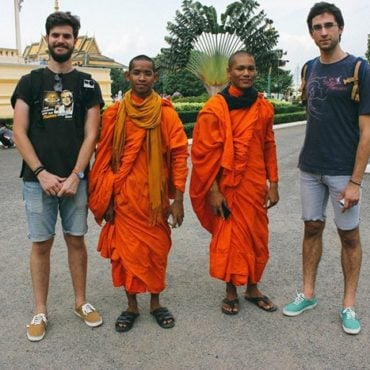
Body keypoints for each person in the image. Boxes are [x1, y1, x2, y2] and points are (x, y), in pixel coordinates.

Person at [11, 11, 104, 342]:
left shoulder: (88, 84)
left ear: (74, 41)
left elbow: (91, 134)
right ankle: (40, 310)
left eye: (67, 36)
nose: (61, 40)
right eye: (56, 35)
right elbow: (18, 132)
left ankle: (81, 302)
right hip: (38, 181)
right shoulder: (30, 82)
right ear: (47, 38)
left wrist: (77, 174)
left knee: (76, 240)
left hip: (75, 180)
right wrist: (41, 172)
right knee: (41, 244)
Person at [283, 2, 370, 335]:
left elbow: (367, 131)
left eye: (328, 26)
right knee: (312, 229)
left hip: (342, 172)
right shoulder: (308, 69)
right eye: (317, 27)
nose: (323, 32)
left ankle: (348, 305)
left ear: (340, 28)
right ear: (311, 32)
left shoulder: (360, 69)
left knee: (348, 236)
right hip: (310, 169)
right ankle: (307, 294)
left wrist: (355, 182)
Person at [88, 55, 188, 332]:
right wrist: (106, 196)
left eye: (147, 73)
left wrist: (178, 200)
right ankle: (131, 305)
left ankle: (156, 302)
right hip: (123, 199)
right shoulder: (114, 114)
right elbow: (103, 159)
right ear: (127, 77)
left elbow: (180, 155)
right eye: (136, 73)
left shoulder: (166, 113)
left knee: (156, 252)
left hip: (155, 201)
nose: (142, 78)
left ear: (155, 77)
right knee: (125, 254)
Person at [190, 51, 279, 315]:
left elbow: (268, 145)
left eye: (251, 68)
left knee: (256, 236)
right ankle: (231, 291)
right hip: (227, 186)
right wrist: (214, 191)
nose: (246, 73)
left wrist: (273, 183)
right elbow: (204, 156)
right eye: (240, 68)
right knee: (230, 238)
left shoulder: (263, 107)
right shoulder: (215, 108)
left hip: (253, 185)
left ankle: (252, 288)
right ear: (229, 73)